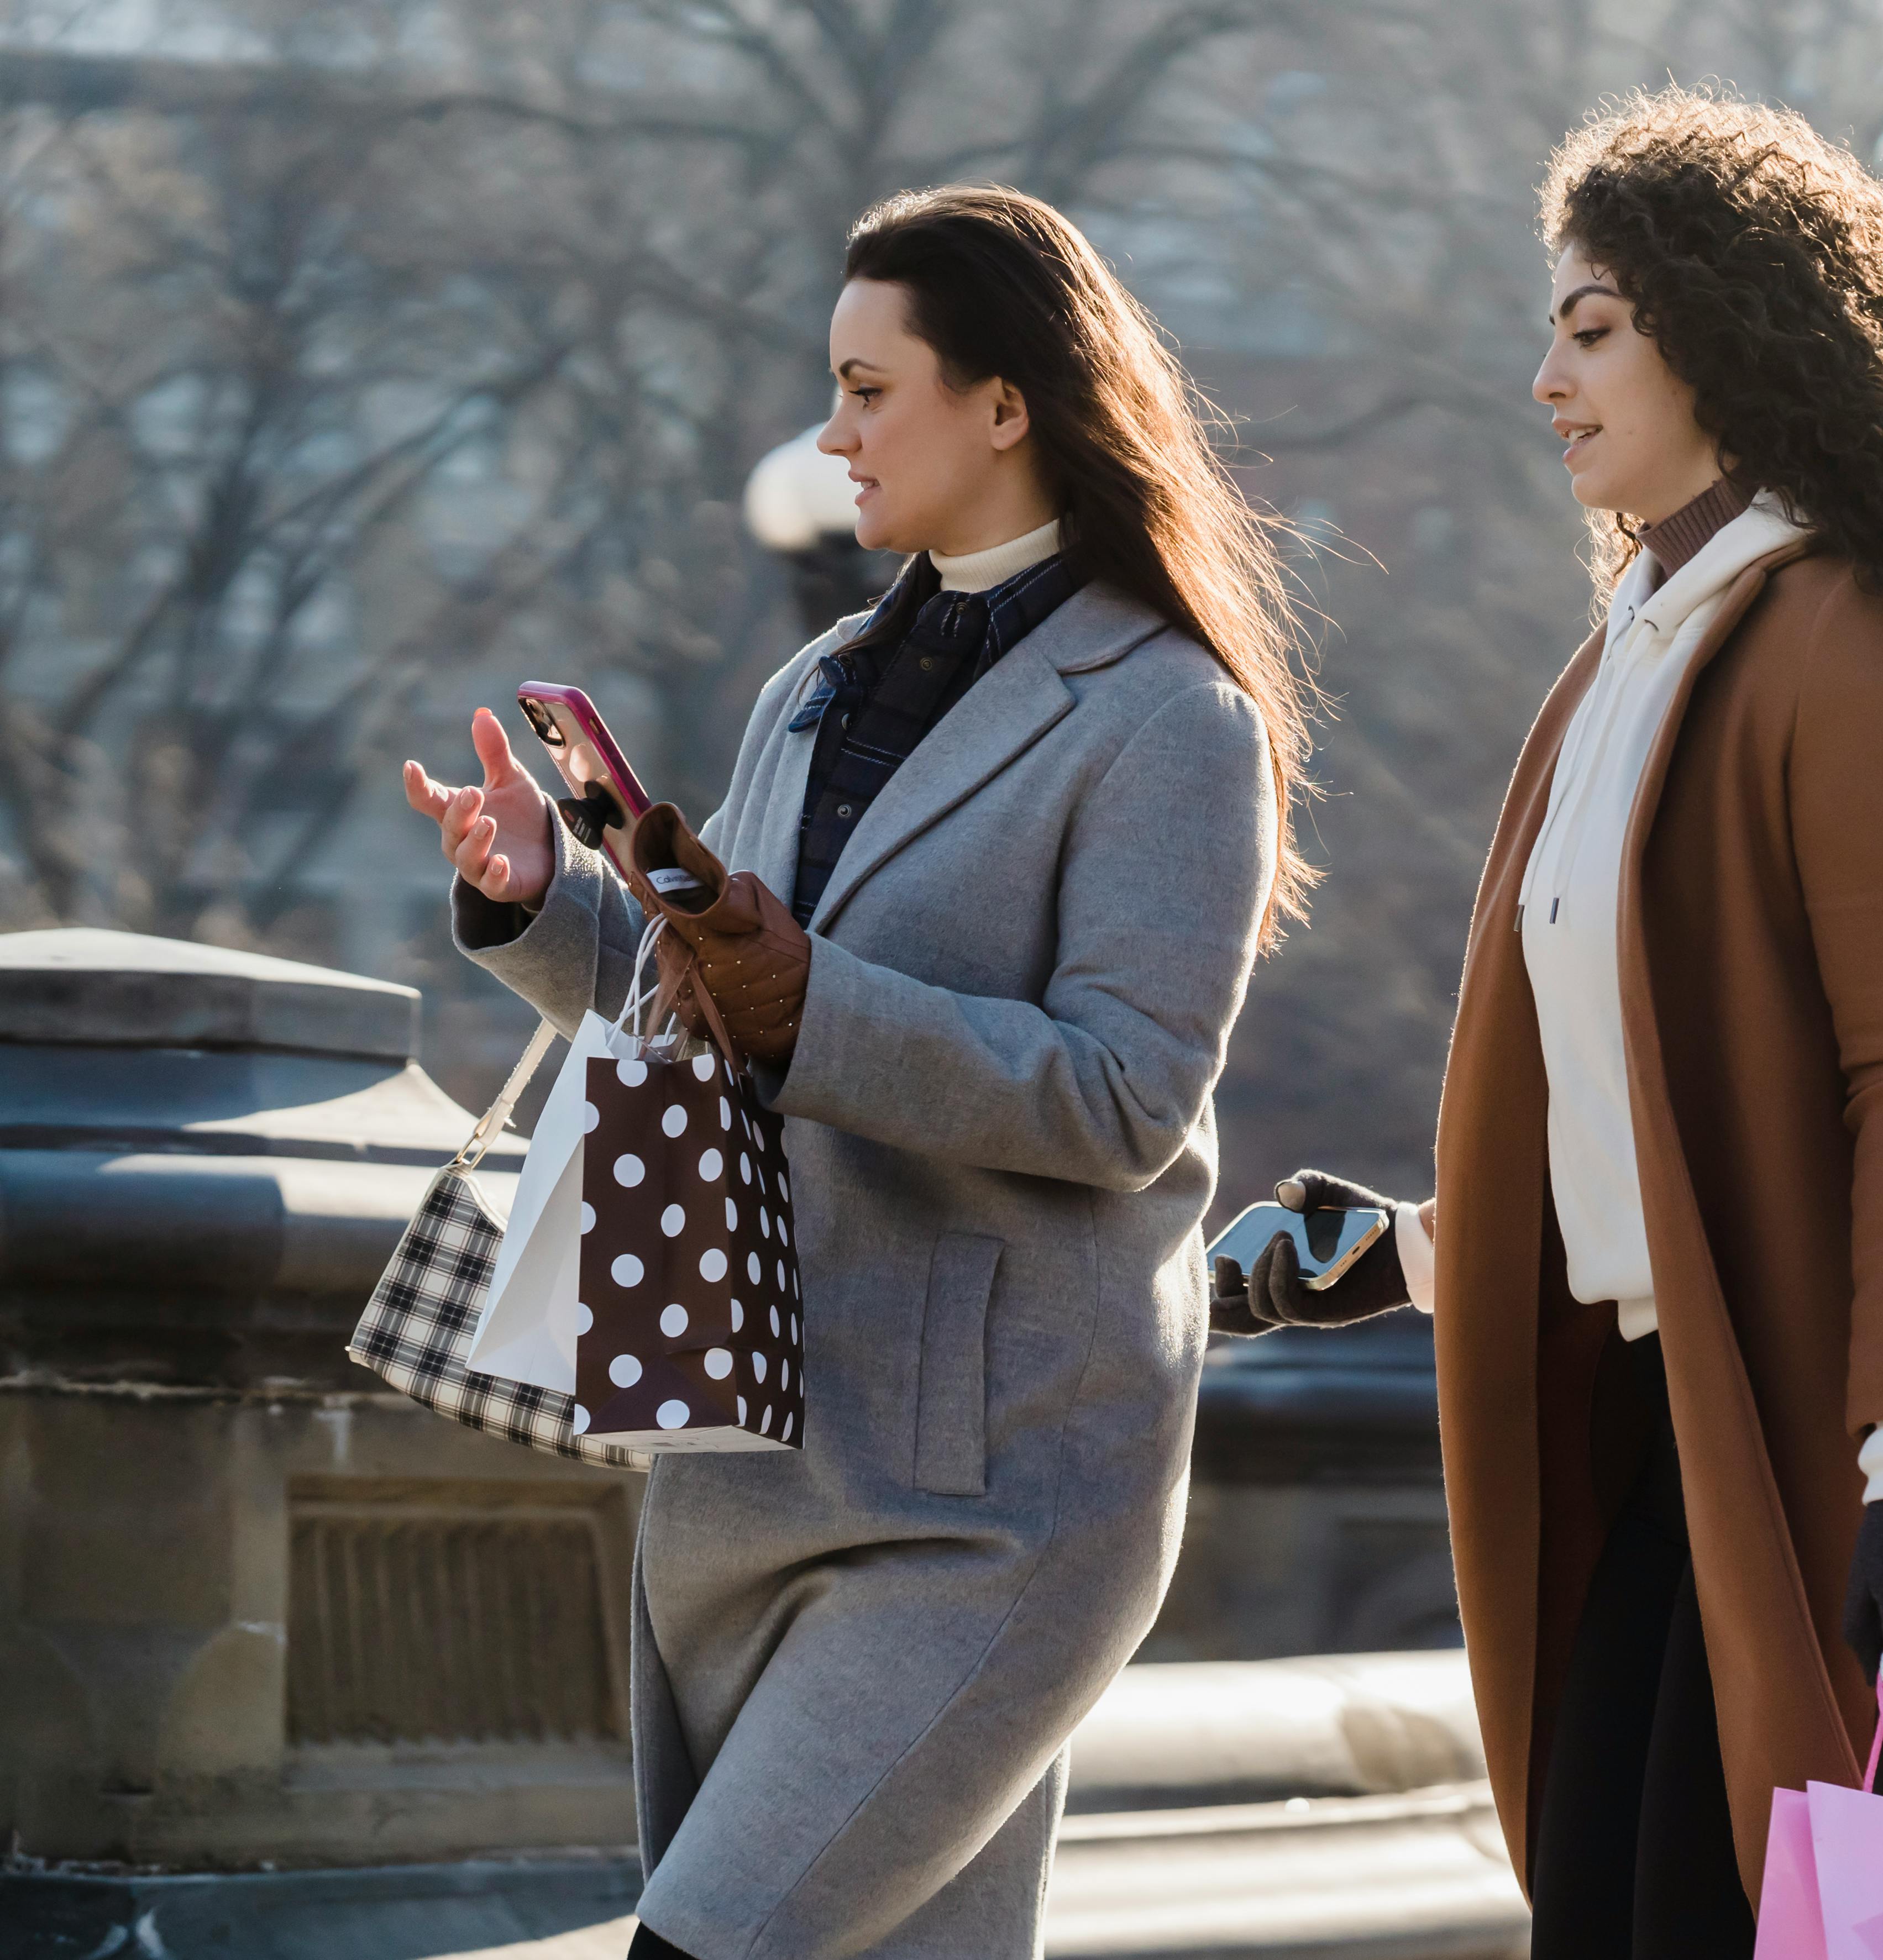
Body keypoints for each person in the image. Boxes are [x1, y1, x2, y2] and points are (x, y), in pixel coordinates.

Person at [1210, 88, 1883, 1955]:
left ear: (1731, 322)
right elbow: (1656, 1129)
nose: (1547, 376)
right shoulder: (1629, 651)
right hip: (1657, 1427)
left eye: (1592, 324)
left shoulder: (1859, 632)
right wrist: (1391, 1254)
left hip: (1820, 1445)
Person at [404, 185, 1307, 1959]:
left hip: (992, 1503)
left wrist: (810, 999)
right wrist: (537, 904)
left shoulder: (1175, 721)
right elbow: (711, 1005)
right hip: (745, 1457)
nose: (833, 431)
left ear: (1006, 402)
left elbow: (1125, 1097)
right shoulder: (820, 682)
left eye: (868, 386)